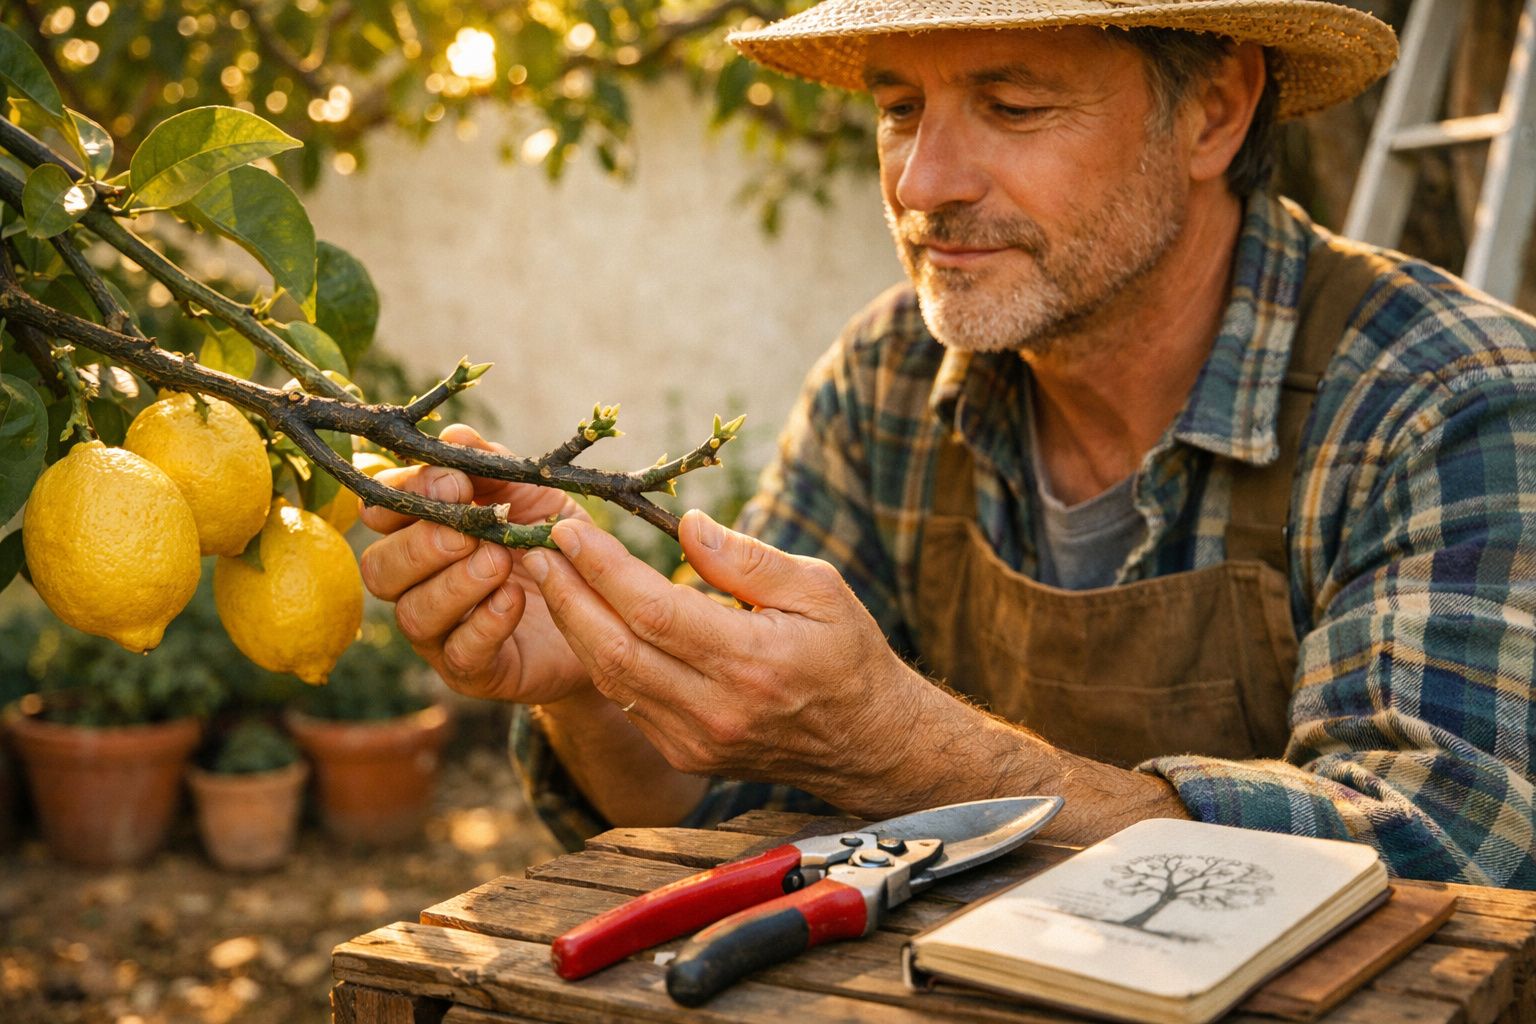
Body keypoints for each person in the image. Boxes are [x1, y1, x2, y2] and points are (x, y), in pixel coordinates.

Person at [361, 0, 1536, 887]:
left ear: (1216, 109)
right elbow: (728, 807)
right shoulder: (887, 379)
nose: (924, 182)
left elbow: (1440, 866)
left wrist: (899, 746)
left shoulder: (1447, 398)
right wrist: (601, 681)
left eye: (1014, 106)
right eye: (896, 107)